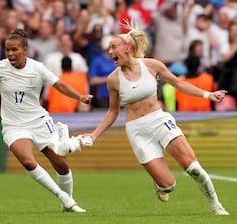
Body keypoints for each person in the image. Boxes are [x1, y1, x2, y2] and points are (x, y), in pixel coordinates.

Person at [83, 20, 229, 215]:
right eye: (109, 48)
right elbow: (113, 112)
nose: (110, 52)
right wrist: (94, 135)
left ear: (127, 48)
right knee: (168, 185)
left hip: (159, 120)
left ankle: (216, 206)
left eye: (113, 47)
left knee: (193, 168)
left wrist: (208, 94)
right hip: (137, 130)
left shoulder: (152, 65)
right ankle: (160, 183)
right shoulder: (113, 79)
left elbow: (179, 83)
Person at [0, 28, 93, 212]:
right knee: (28, 161)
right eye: (7, 50)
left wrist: (80, 97)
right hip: (14, 126)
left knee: (61, 164)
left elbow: (59, 84)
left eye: (14, 50)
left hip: (38, 121)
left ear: (25, 50)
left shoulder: (37, 67)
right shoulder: (0, 67)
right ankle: (63, 197)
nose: (10, 54)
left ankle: (67, 203)